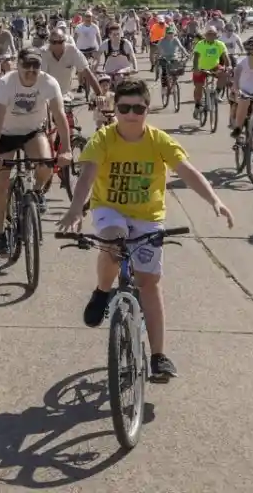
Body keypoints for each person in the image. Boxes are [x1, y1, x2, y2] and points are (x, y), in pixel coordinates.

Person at [58, 77, 234, 381]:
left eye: (138, 108)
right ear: (115, 109)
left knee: (149, 282)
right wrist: (75, 209)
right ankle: (102, 292)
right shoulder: (103, 139)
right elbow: (87, 176)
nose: (131, 114)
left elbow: (188, 172)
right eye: (124, 108)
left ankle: (159, 356)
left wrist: (214, 200)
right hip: (109, 209)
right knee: (114, 241)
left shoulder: (159, 140)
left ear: (147, 110)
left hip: (148, 215)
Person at [0, 47, 70, 256]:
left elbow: (59, 116)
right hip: (6, 132)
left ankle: (38, 192)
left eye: (36, 65)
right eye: (27, 65)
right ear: (18, 65)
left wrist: (67, 149)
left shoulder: (48, 82)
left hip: (32, 131)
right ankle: (0, 234)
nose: (31, 70)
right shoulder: (6, 83)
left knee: (46, 164)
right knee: (1, 184)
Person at [42, 27, 101, 100]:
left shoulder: (72, 50)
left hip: (64, 95)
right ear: (49, 42)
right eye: (54, 42)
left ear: (65, 41)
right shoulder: (42, 53)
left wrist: (99, 95)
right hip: (45, 95)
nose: (57, 45)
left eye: (60, 42)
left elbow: (87, 72)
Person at [190, 25, 228, 119]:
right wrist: (196, 69)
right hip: (201, 68)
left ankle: (217, 93)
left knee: (224, 74)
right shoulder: (200, 44)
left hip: (214, 66)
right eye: (209, 34)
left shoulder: (220, 44)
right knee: (199, 86)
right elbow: (196, 58)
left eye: (213, 34)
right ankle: (197, 105)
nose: (211, 36)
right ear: (205, 35)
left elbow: (225, 57)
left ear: (216, 35)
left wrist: (228, 66)